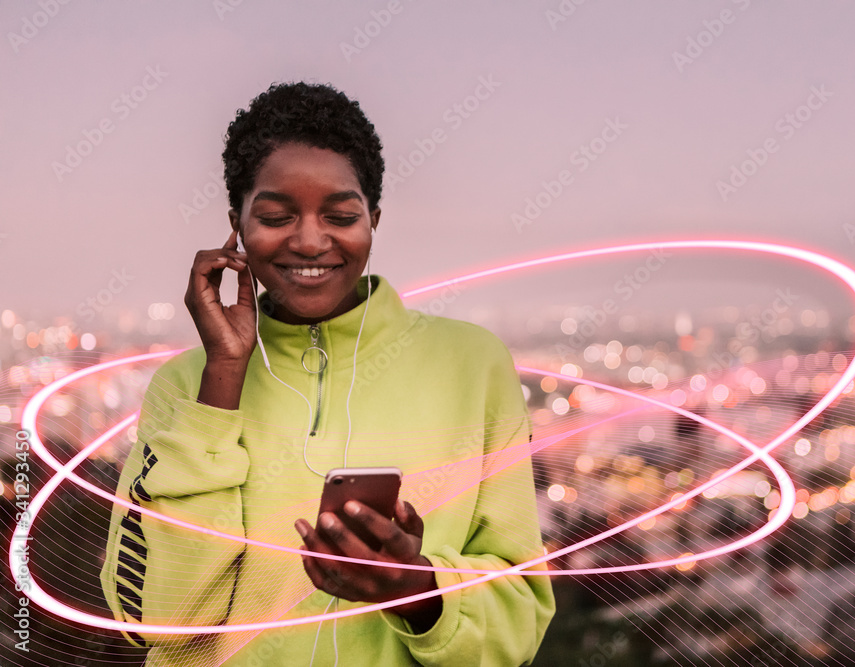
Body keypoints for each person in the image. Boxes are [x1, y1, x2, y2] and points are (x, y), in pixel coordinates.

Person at [100, 82, 555, 666]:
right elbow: (154, 621)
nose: (311, 241)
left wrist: (414, 590)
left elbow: (519, 618)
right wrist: (224, 374)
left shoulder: (472, 365)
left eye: (341, 215)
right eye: (273, 216)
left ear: (374, 220)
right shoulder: (186, 385)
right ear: (235, 223)